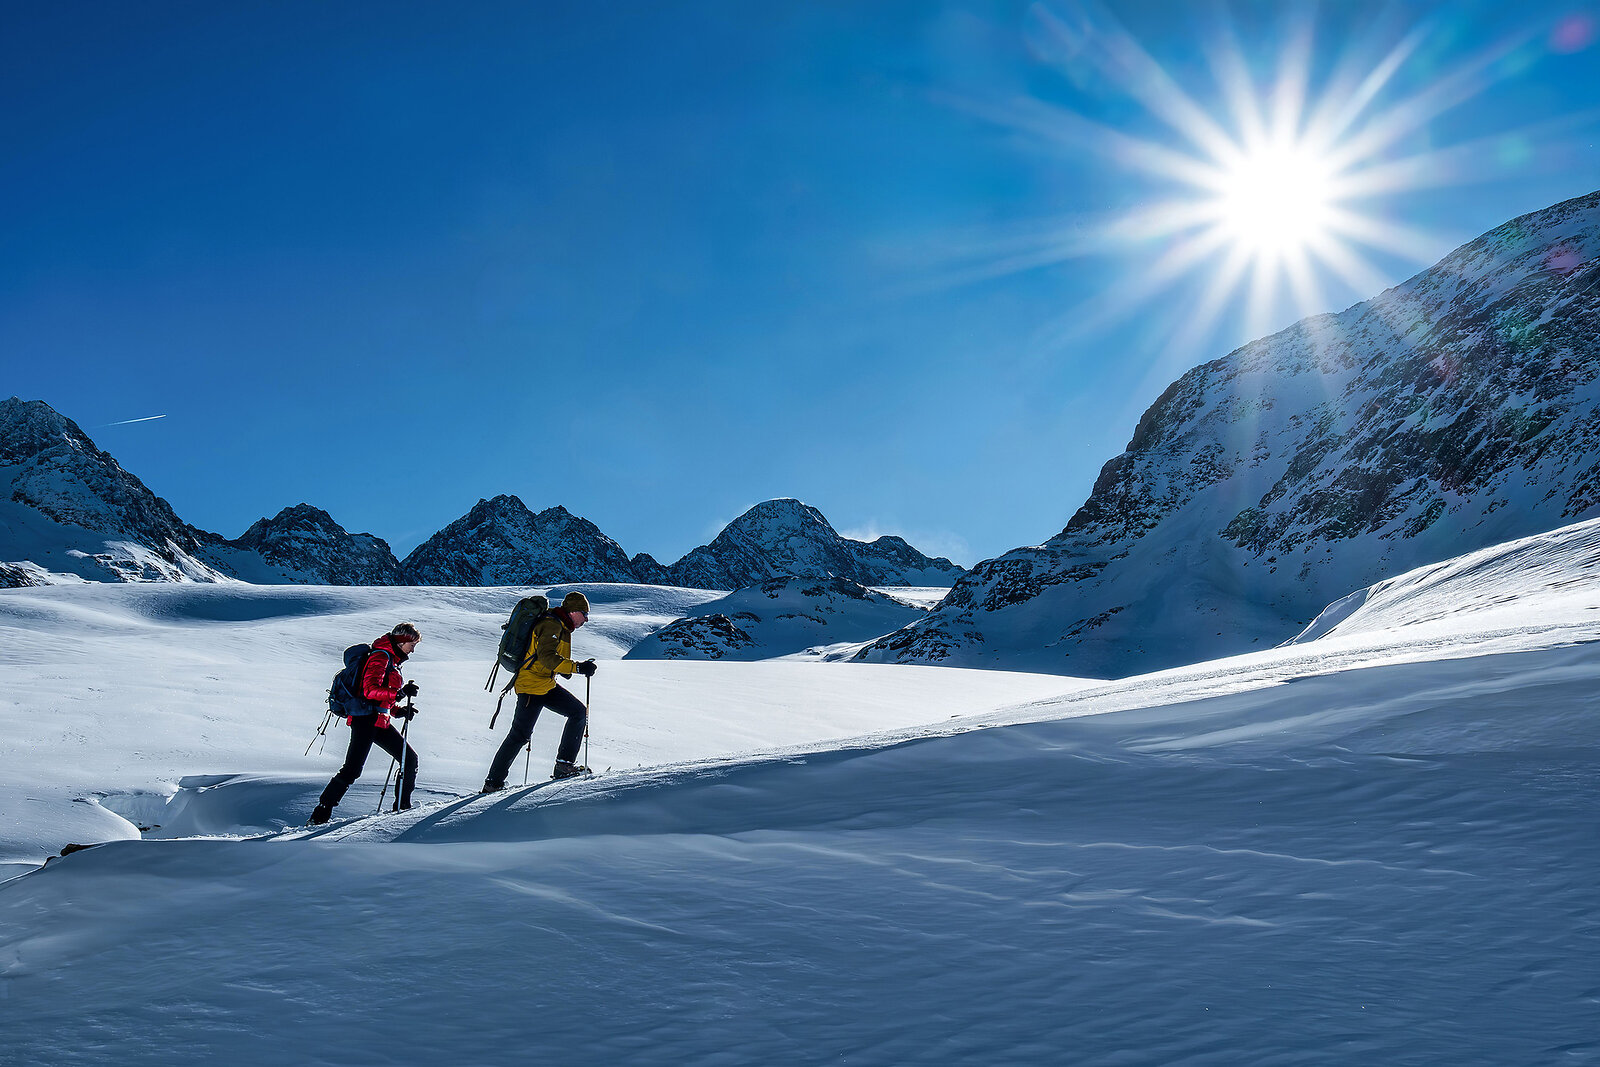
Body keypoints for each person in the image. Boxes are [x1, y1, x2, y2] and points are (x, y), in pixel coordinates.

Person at [309, 622, 423, 825]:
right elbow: (369, 690)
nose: (413, 650)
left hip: (377, 719)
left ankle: (402, 808)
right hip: (365, 720)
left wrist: (398, 711)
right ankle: (320, 814)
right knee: (352, 769)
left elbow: (379, 698)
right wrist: (399, 693)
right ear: (401, 641)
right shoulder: (381, 657)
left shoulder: (391, 660)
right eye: (412, 644)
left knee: (409, 759)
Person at [482, 591, 596, 790]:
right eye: (584, 614)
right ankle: (493, 783)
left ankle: (564, 765)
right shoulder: (551, 624)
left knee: (578, 713)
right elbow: (547, 658)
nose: (586, 619)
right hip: (531, 687)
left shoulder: (560, 625)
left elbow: (549, 659)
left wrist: (570, 668)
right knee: (519, 735)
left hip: (545, 685)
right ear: (573, 611)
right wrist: (577, 668)